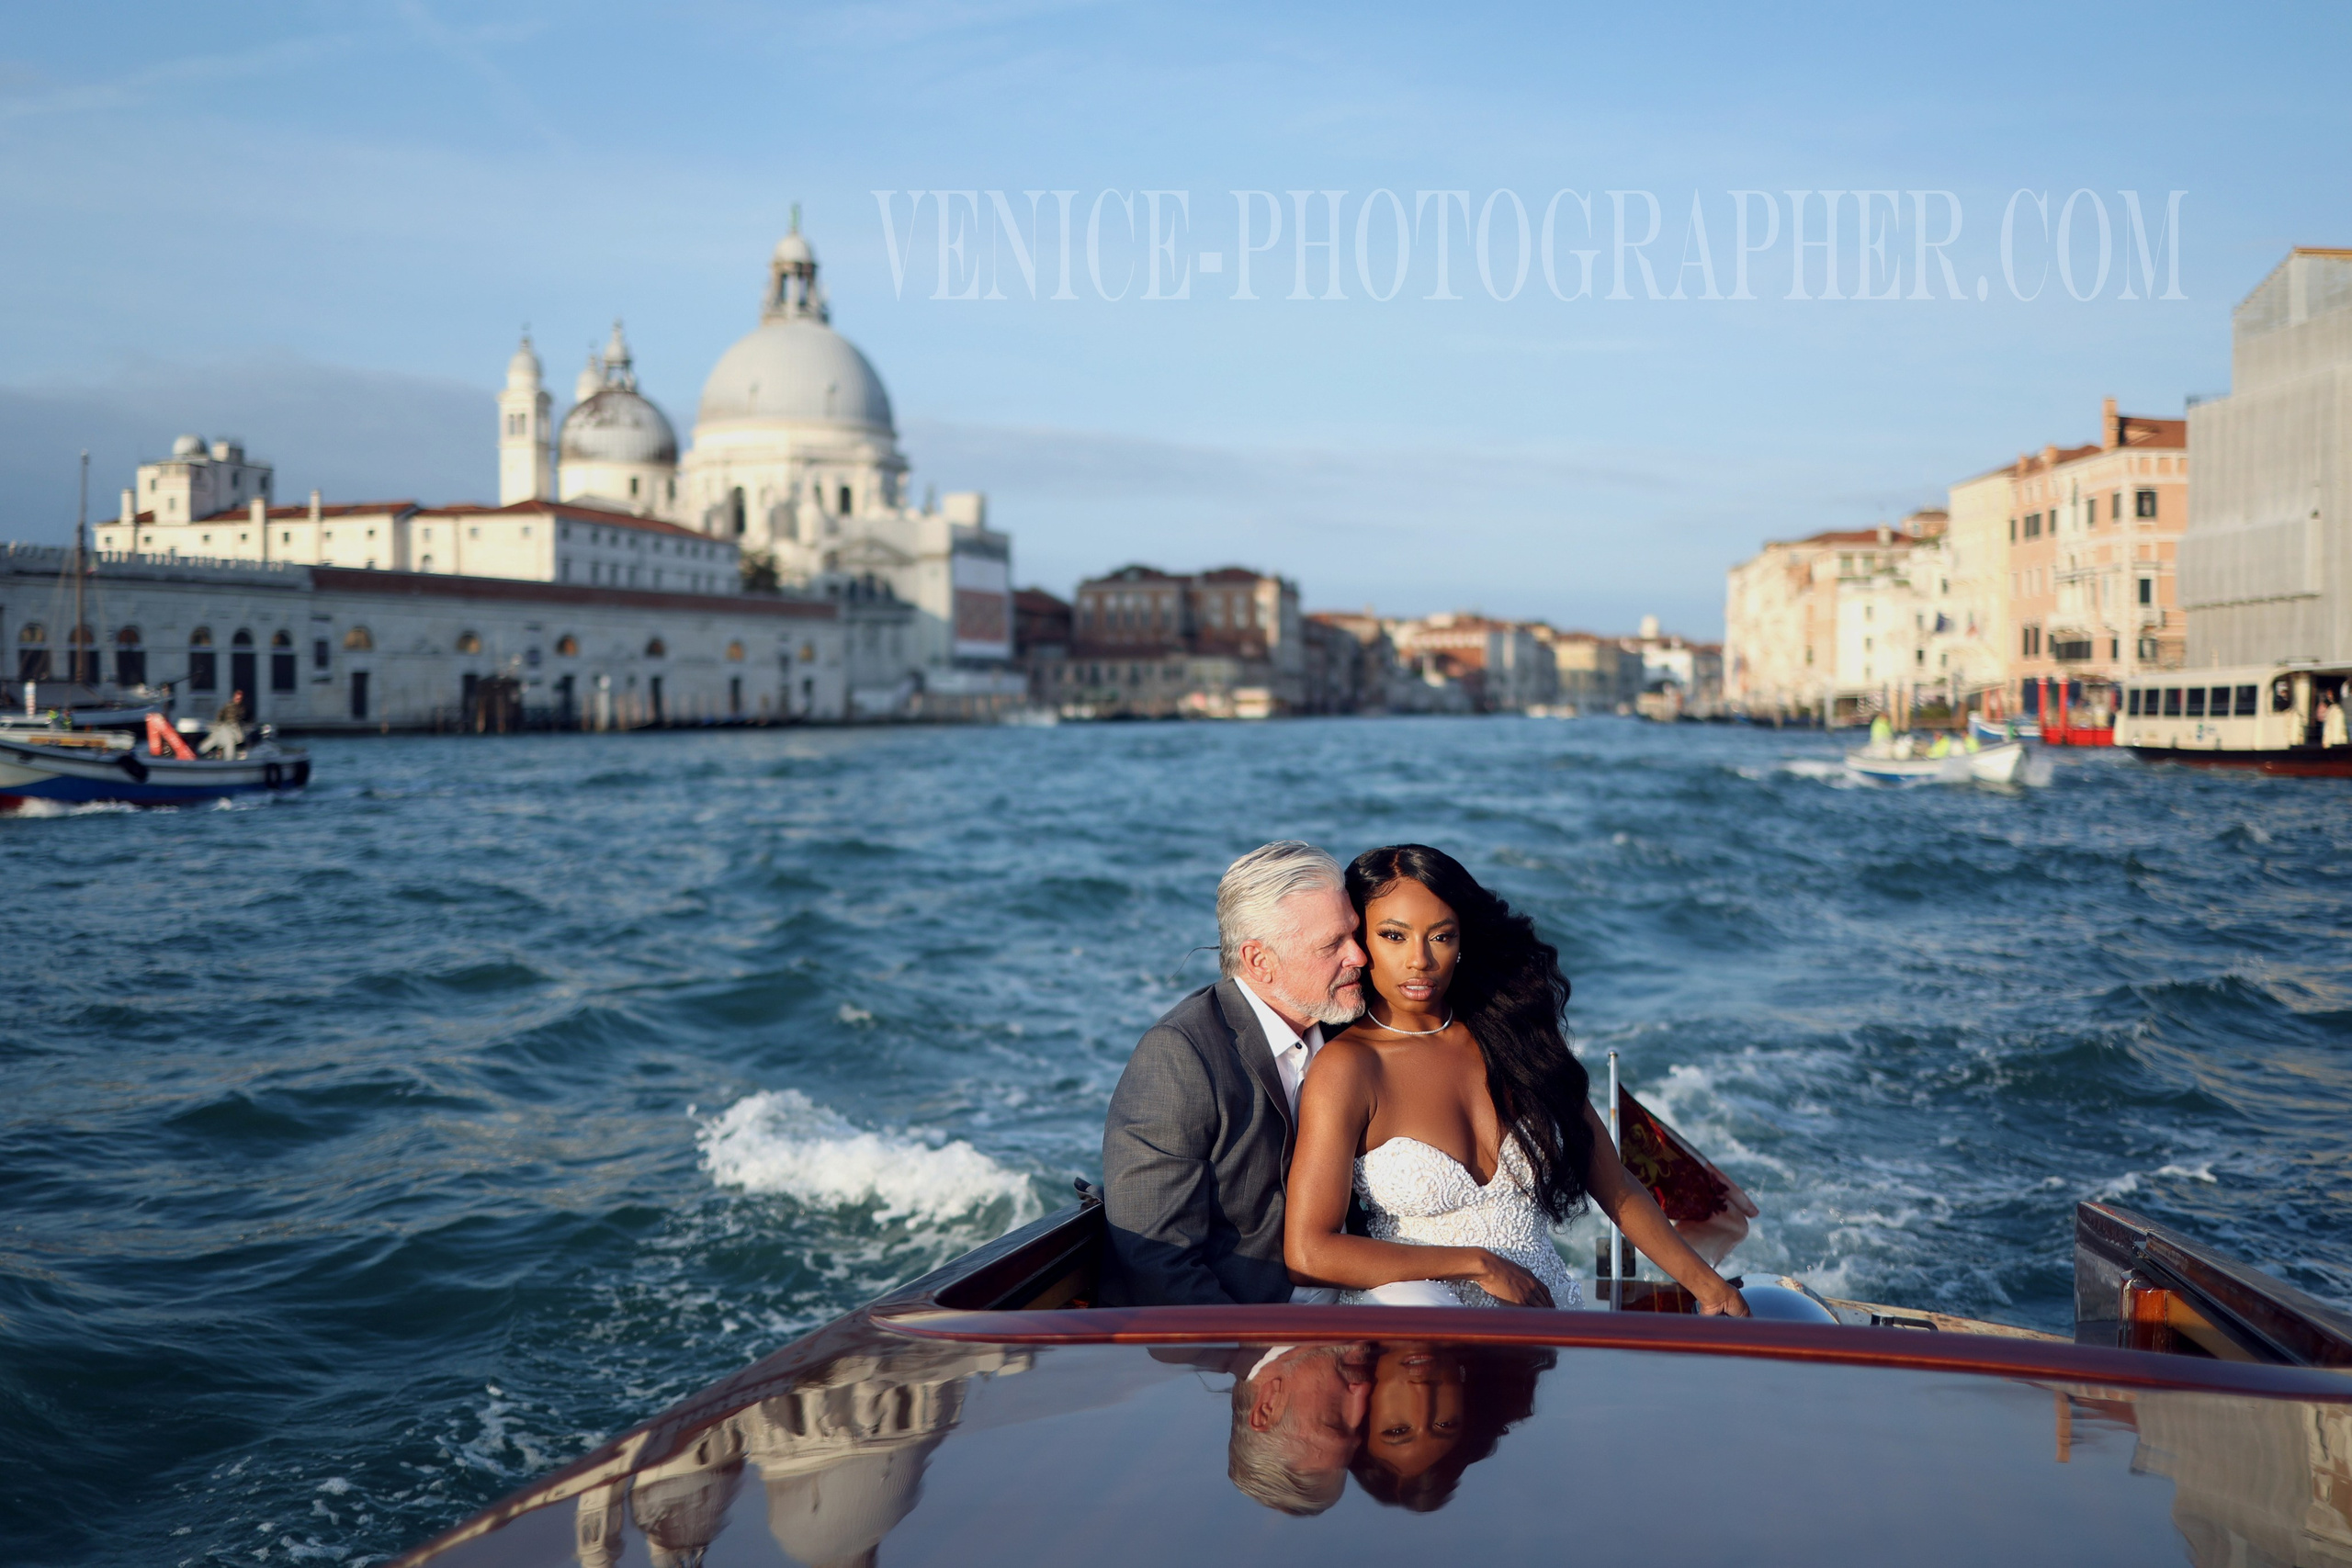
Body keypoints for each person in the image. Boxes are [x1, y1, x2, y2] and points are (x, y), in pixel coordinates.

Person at [1283, 844, 1748, 1314]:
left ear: (1463, 942)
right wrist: (1478, 1265)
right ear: (1361, 944)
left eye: (1441, 937)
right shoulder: (1348, 1067)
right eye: (1393, 936)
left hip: (1546, 1322)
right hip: (1416, 1347)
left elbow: (1615, 1185)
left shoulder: (1517, 1041)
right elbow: (1309, 1253)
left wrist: (1711, 1288)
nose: (1420, 960)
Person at [1100, 840, 1369, 1306]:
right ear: (1260, 962)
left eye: (1354, 933)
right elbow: (1157, 1258)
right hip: (1254, 1342)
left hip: (1366, 1308)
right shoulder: (1180, 1057)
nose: (1359, 956)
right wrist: (1251, 1365)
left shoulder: (1355, 1027)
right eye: (1332, 945)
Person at [201, 688, 248, 758]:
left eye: (239, 699)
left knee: (229, 742)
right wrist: (218, 724)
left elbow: (241, 719)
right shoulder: (229, 705)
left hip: (233, 728)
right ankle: (201, 751)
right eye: (237, 698)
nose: (238, 700)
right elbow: (221, 714)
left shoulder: (241, 708)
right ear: (234, 697)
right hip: (225, 727)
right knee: (219, 740)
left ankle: (228, 757)